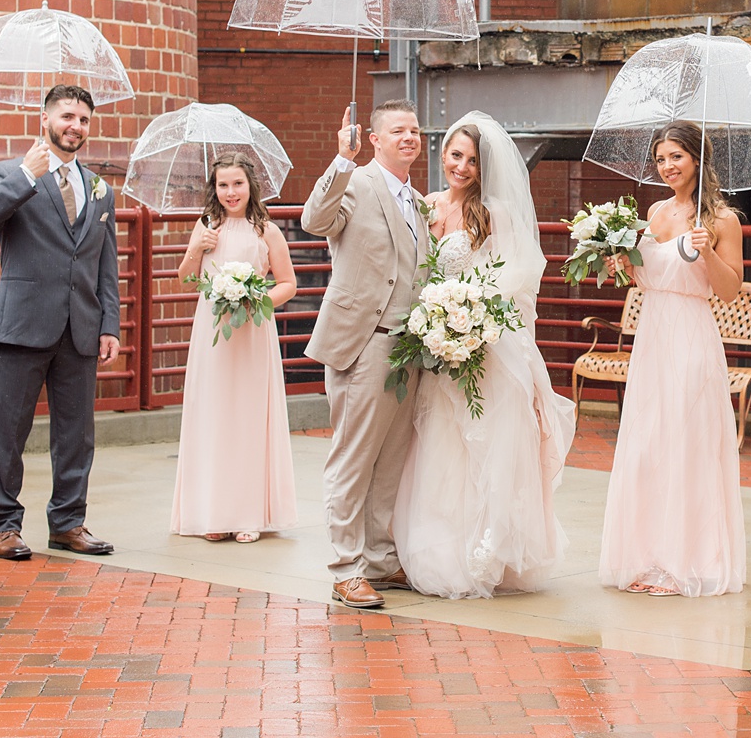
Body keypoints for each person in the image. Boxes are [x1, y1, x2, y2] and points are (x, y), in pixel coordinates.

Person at [391, 113, 577, 598]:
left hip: (481, 344)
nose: (462, 166)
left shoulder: (494, 213)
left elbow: (519, 275)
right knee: (436, 442)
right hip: (435, 340)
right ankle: (431, 547)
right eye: (456, 155)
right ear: (442, 154)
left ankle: (481, 551)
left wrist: (470, 312)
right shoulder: (425, 205)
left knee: (481, 446)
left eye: (472, 160)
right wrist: (435, 318)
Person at [0, 84, 120, 561]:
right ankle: (4, 524)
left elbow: (105, 264)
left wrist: (109, 324)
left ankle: (69, 522)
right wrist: (26, 178)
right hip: (22, 323)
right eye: (67, 116)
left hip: (81, 328)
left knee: (77, 432)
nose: (75, 126)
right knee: (8, 430)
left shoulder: (99, 187)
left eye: (84, 120)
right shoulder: (8, 172)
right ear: (45, 118)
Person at [598, 120, 746, 597]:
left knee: (686, 445)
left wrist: (707, 255)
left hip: (691, 337)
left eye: (676, 157)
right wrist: (621, 264)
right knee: (648, 447)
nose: (667, 166)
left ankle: (686, 563)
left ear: (696, 159)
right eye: (661, 158)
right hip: (652, 337)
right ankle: (649, 557)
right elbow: (645, 278)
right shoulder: (655, 211)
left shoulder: (722, 220)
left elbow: (728, 290)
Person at [301, 99, 426, 609]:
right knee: (353, 459)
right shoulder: (355, 181)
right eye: (398, 130)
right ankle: (345, 567)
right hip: (364, 341)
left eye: (415, 130)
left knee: (389, 459)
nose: (409, 138)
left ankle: (377, 557)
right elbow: (314, 220)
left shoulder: (416, 200)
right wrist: (340, 162)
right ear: (373, 138)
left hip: (410, 345)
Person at [170, 152, 300, 543]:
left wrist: (255, 300)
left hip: (252, 334)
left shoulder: (267, 231)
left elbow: (287, 284)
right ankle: (213, 512)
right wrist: (196, 247)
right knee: (213, 416)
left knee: (246, 417)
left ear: (250, 186)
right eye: (223, 185)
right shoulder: (205, 226)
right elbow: (186, 280)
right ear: (215, 188)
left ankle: (247, 514)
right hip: (211, 336)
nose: (230, 192)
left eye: (237, 184)